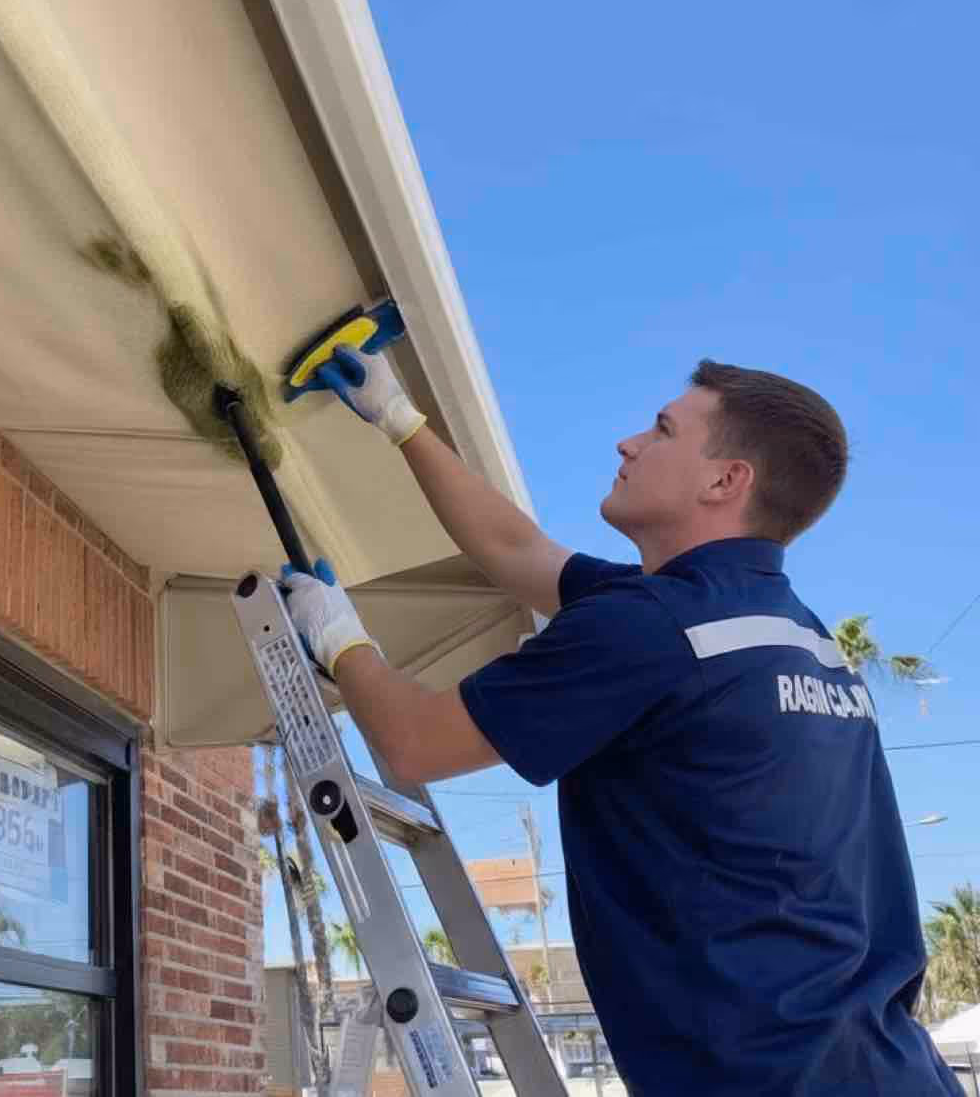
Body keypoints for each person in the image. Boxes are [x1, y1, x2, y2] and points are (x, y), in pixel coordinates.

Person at [281, 347, 961, 1095]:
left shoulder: (657, 629)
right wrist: (399, 419)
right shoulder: (787, 633)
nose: (628, 443)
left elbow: (414, 744)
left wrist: (338, 638)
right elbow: (517, 549)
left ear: (725, 480)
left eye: (663, 430)